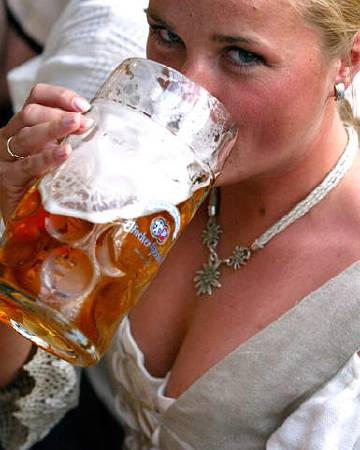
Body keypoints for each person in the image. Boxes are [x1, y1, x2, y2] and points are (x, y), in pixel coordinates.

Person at [1, 0, 360, 448]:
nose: (184, 93)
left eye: (242, 55)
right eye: (167, 35)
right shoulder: (130, 155)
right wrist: (17, 244)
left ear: (348, 61)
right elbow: (28, 403)